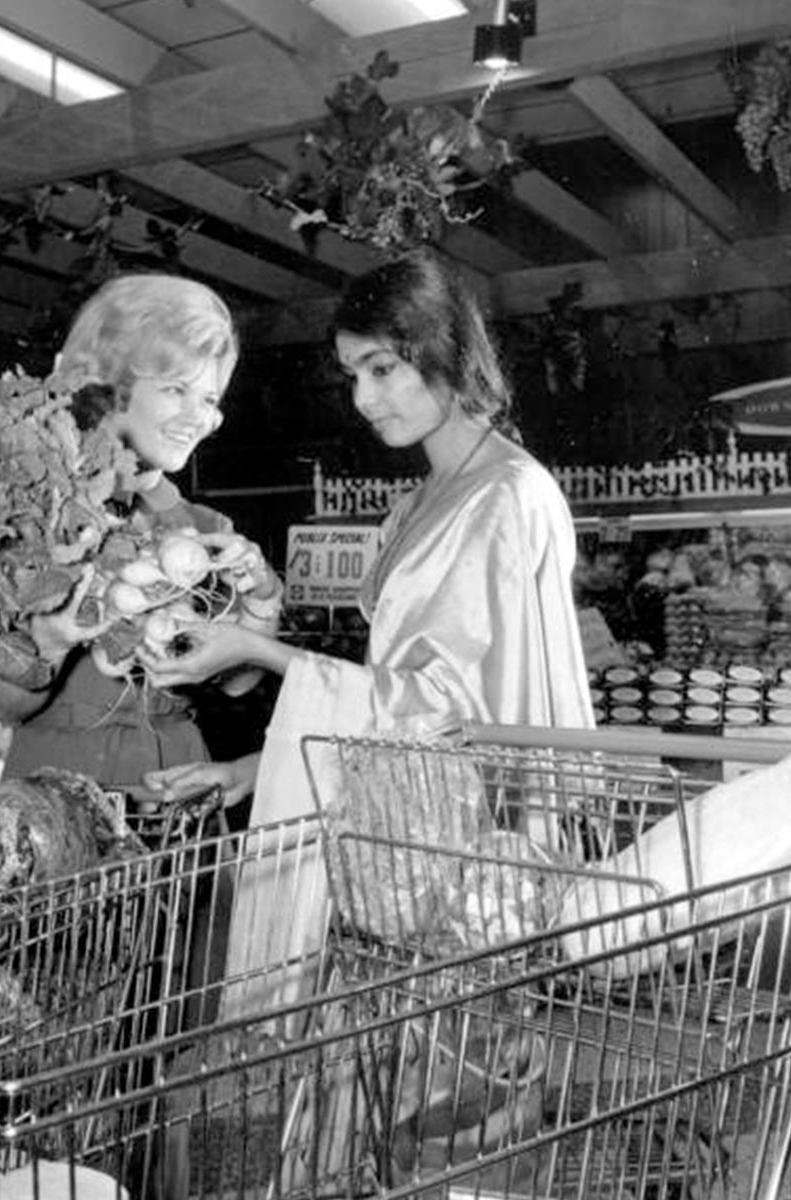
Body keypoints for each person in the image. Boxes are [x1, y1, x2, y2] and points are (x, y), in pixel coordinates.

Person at [139, 248, 597, 1016]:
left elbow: (448, 708)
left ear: (442, 351)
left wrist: (260, 650)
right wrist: (262, 765)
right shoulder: (425, 499)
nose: (363, 397)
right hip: (408, 846)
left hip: (476, 862)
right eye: (353, 374)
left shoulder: (506, 497)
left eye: (382, 369)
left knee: (452, 1103)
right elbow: (407, 709)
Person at [0, 272, 278, 789]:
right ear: (109, 388)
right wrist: (47, 642)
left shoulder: (205, 530)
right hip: (58, 783)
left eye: (210, 398)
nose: (200, 417)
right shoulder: (30, 514)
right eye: (177, 390)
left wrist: (262, 598)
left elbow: (237, 683)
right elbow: (5, 707)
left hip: (177, 780)